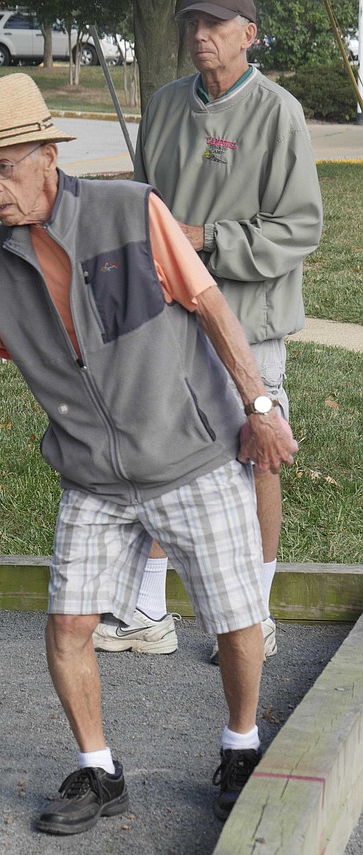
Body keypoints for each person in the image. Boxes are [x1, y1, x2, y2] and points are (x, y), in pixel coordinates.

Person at [0, 73, 300, 827]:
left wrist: (260, 404)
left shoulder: (132, 211)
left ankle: (241, 742)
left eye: (5, 166)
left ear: (48, 153)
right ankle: (99, 772)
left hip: (188, 455)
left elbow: (210, 306)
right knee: (67, 625)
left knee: (238, 619)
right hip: (93, 474)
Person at [93, 0, 323, 663]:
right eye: (191, 23)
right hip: (165, 318)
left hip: (249, 323)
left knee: (257, 454)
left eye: (216, 25)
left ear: (248, 34)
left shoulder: (277, 112)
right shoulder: (165, 105)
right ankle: (145, 611)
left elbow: (300, 228)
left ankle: (255, 612)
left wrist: (203, 241)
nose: (199, 35)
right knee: (157, 453)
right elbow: (144, 204)